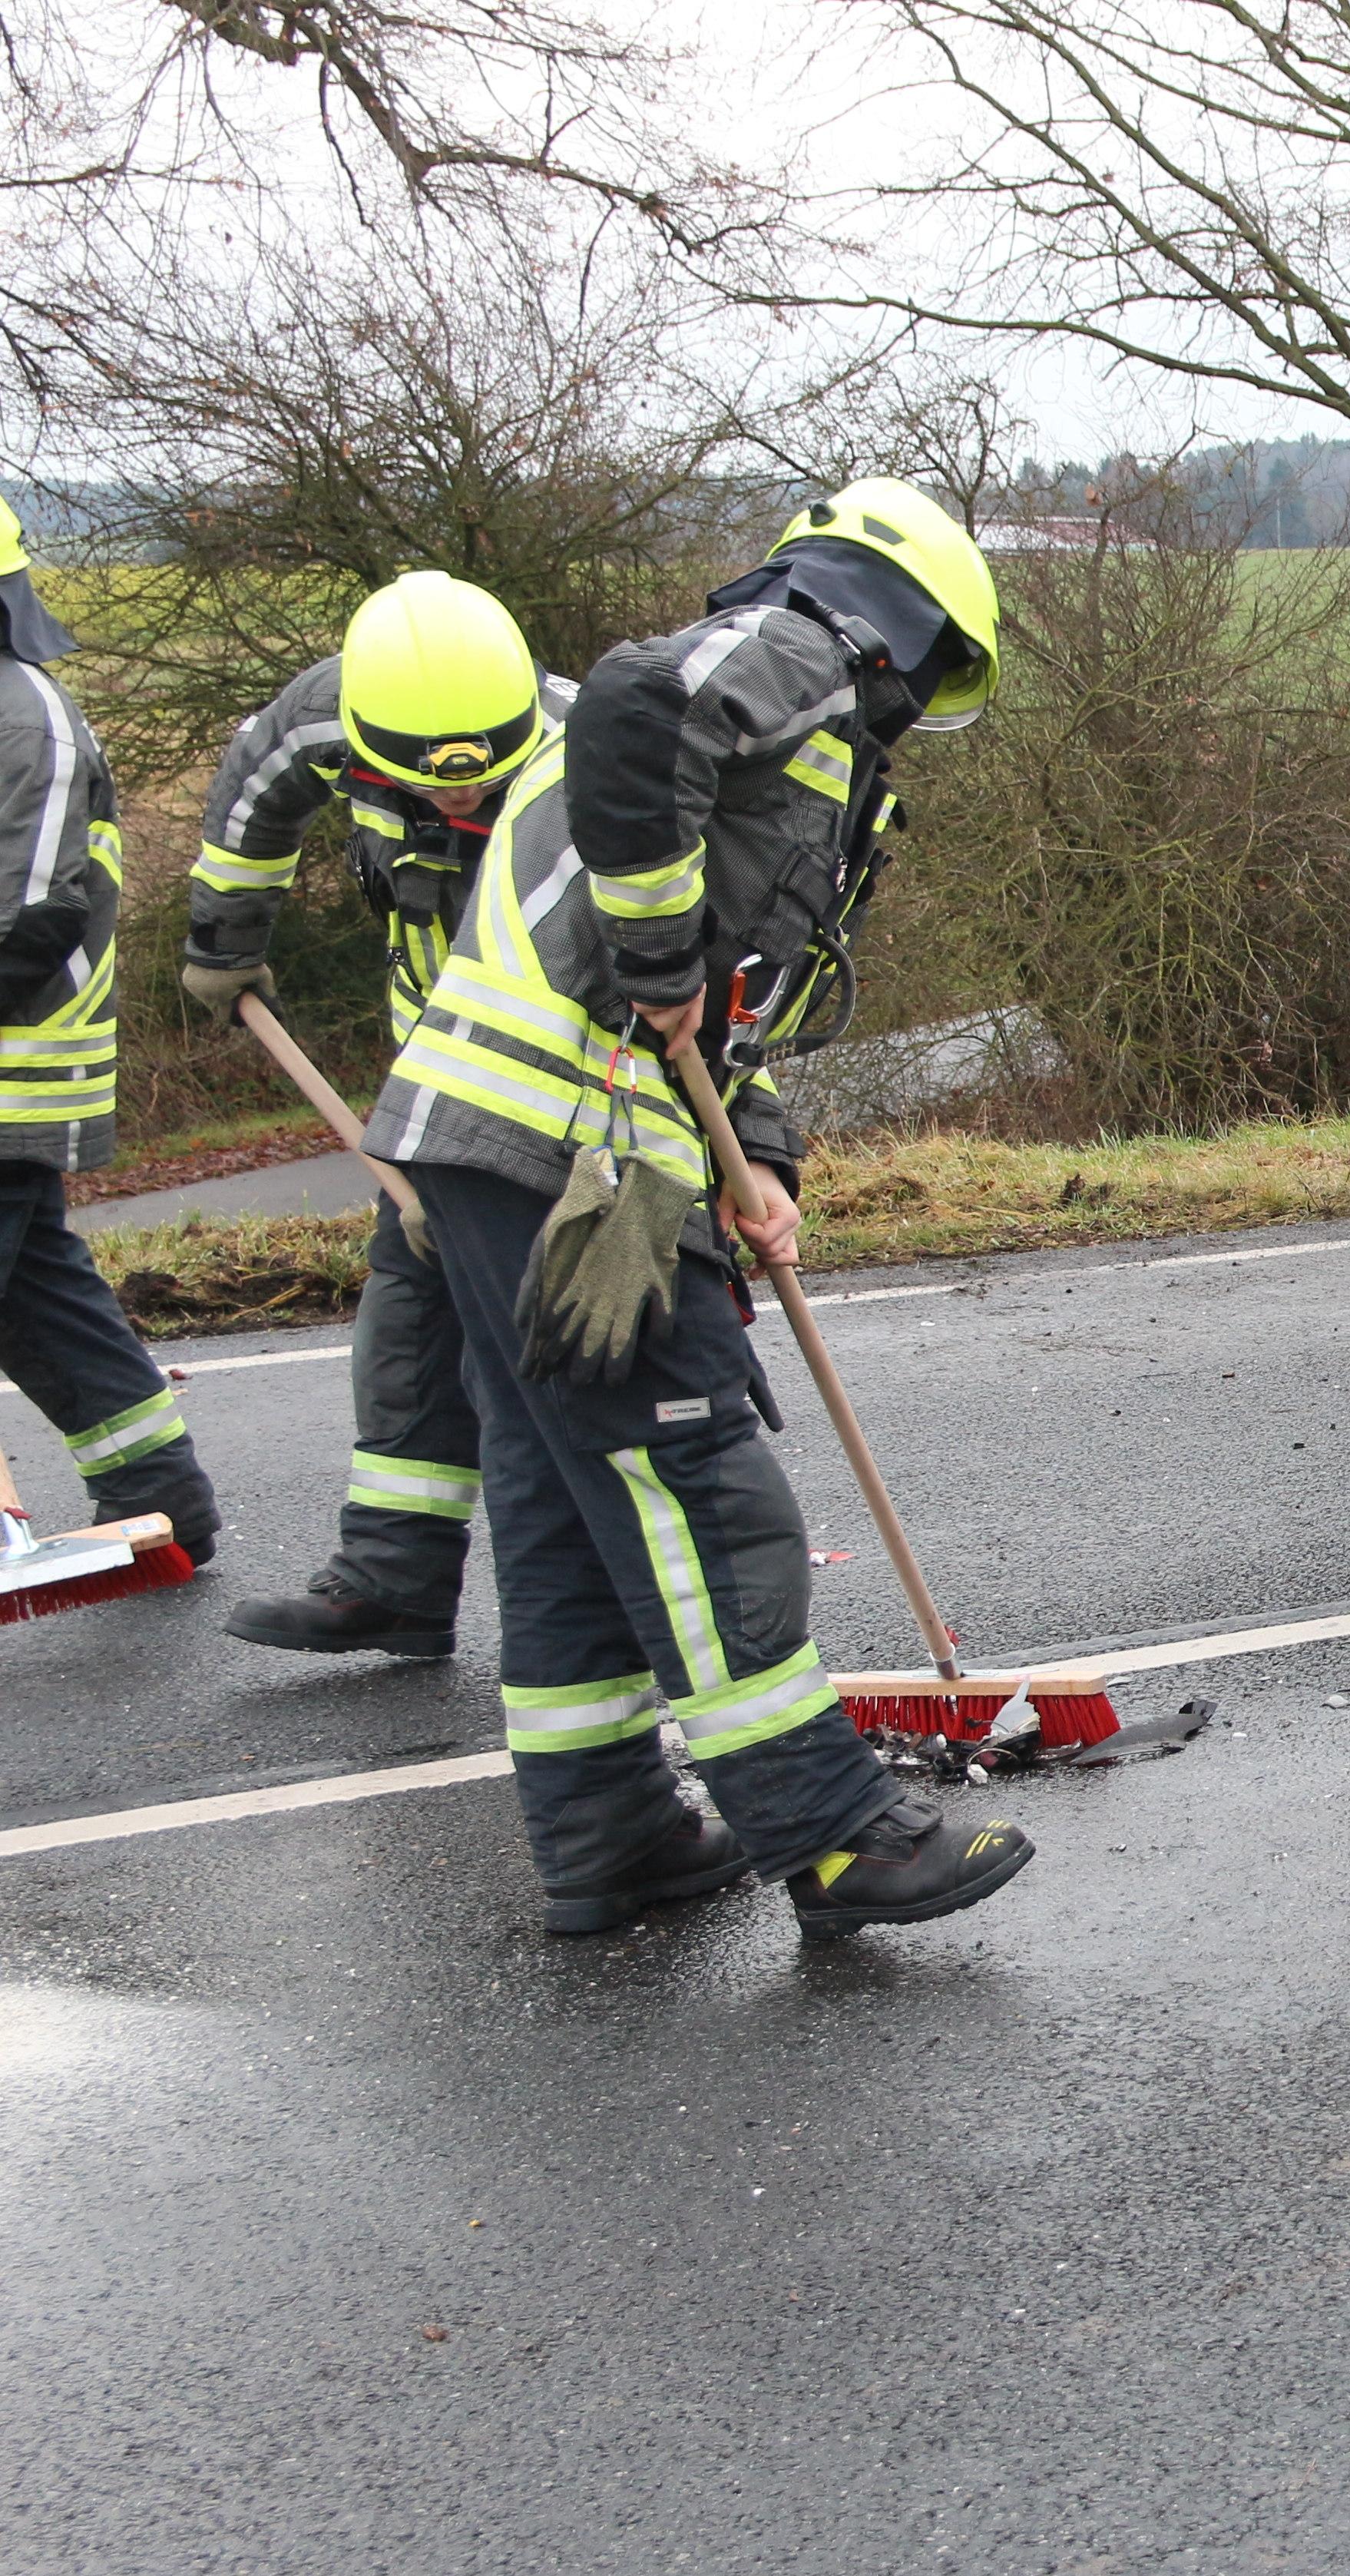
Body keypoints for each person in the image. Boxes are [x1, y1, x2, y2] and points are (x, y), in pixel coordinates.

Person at [359, 477, 1034, 1937]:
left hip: (513, 1148)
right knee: (691, 1480)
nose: (913, 712)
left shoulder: (787, 703)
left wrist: (763, 1161)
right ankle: (834, 1833)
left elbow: (720, 1019)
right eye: (930, 680)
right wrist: (661, 952)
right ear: (903, 628)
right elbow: (629, 709)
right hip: (564, 1154)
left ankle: (610, 1839)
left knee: (560, 1499)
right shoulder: (797, 646)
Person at [182, 573, 572, 1660]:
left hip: (571, 1102)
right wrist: (223, 938)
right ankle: (395, 1578)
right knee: (408, 1316)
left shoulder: (595, 752)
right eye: (429, 791)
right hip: (429, 1086)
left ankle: (626, 1602)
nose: (456, 809)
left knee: (565, 1349)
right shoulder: (333, 715)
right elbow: (256, 788)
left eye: (479, 789)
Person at [0, 489, 222, 1567]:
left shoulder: (22, 712)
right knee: (35, 1289)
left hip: (14, 1061)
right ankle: (156, 1489)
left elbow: (33, 911)